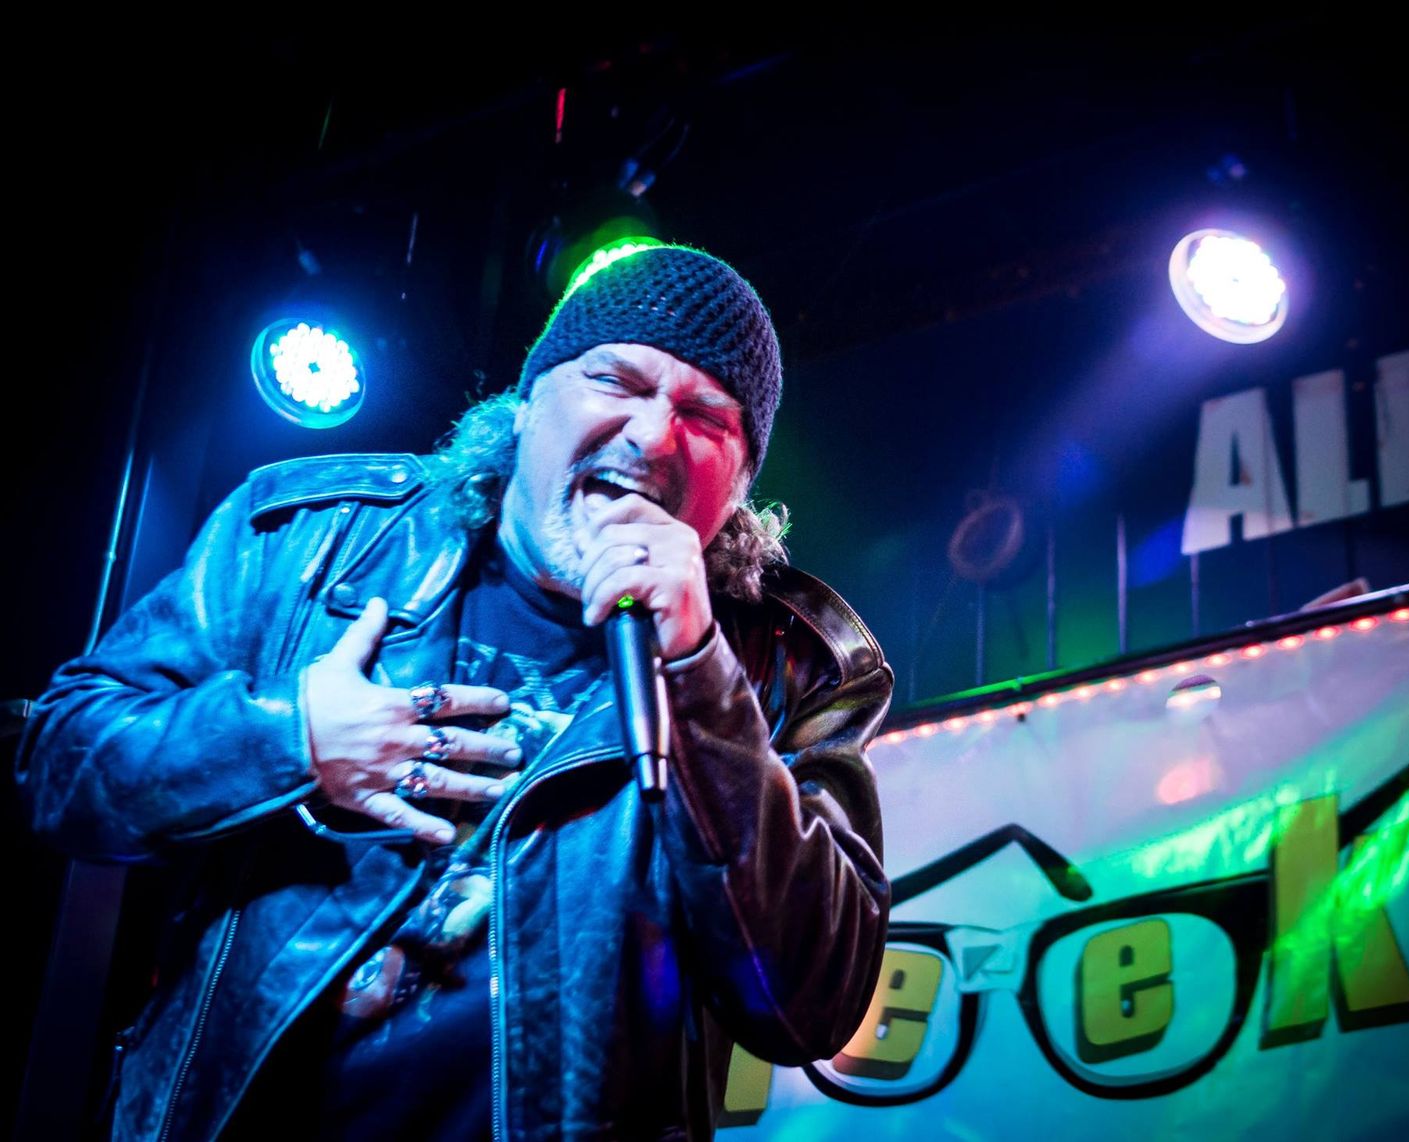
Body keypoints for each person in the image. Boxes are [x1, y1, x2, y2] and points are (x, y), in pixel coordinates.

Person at [16, 243, 893, 1140]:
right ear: (527, 404)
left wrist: (700, 673)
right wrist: (290, 739)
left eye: (705, 416)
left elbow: (814, 1003)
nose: (652, 436)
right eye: (615, 381)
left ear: (740, 488)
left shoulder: (795, 666)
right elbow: (62, 763)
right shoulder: (309, 537)